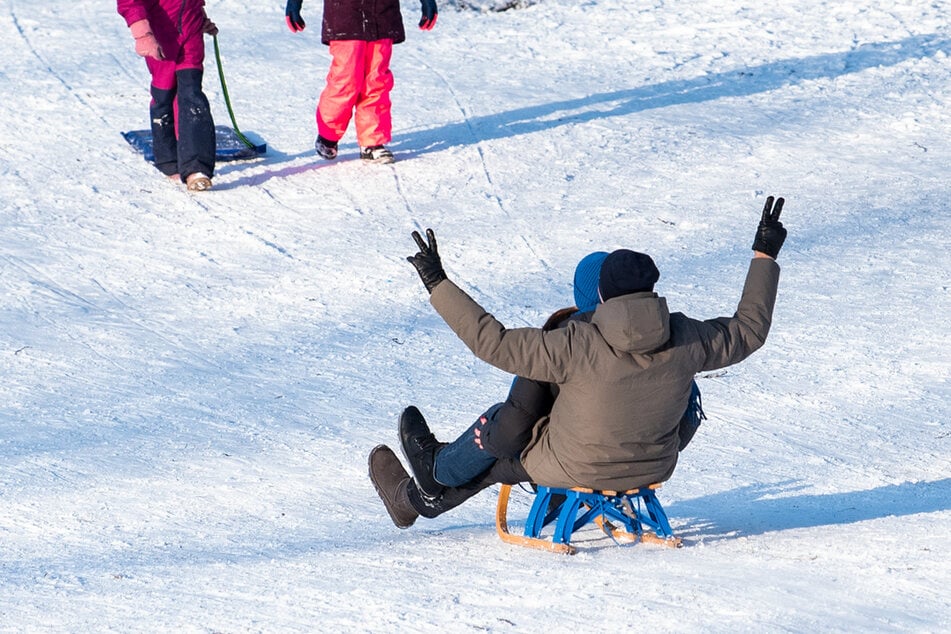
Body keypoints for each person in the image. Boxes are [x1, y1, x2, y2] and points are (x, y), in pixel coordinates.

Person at [369, 197, 787, 528]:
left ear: (602, 296)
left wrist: (437, 283)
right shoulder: (689, 338)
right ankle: (417, 495)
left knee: (506, 439)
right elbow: (749, 330)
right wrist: (764, 255)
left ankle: (429, 480)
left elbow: (491, 342)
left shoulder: (575, 343)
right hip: (656, 464)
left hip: (573, 466)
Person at [284, 0, 438, 164]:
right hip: (345, 15)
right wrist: (294, 3)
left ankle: (372, 143)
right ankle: (328, 134)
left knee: (376, 80)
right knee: (345, 80)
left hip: (382, 16)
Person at [117, 0, 218, 191]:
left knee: (191, 94)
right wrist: (142, 35)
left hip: (190, 30)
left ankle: (196, 168)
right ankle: (169, 160)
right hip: (161, 36)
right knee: (165, 94)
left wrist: (200, 13)